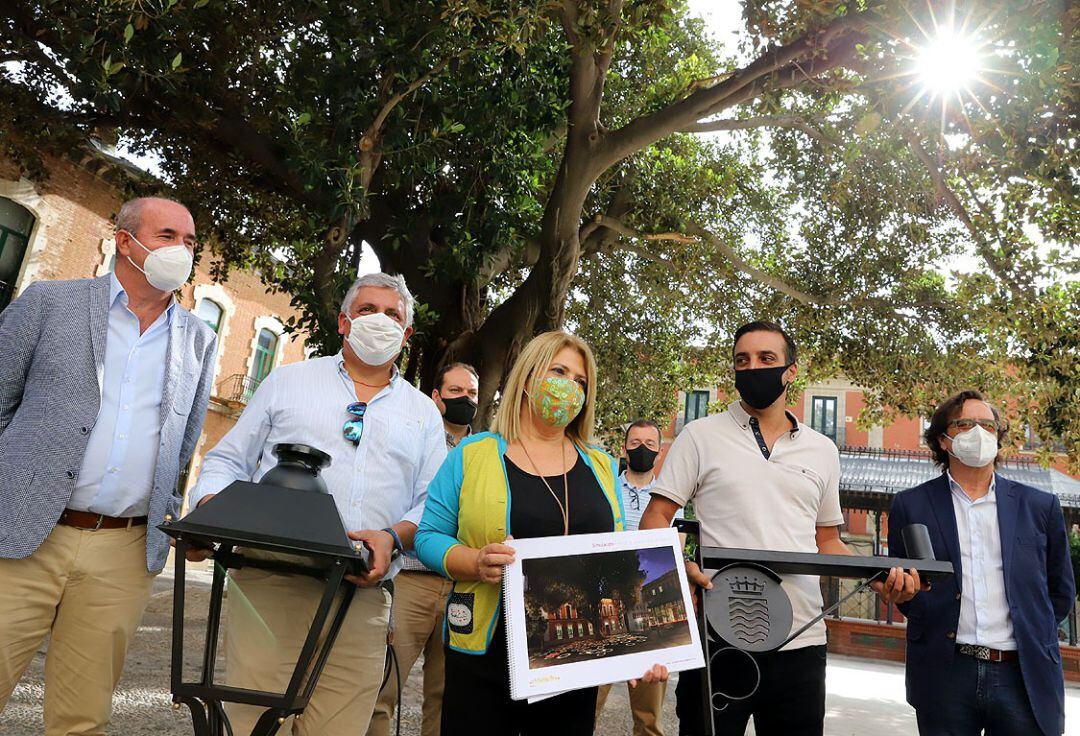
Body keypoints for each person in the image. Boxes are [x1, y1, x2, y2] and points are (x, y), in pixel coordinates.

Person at [187, 272, 447, 736]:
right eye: (368, 310)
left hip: (361, 598)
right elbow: (226, 460)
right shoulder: (288, 381)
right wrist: (211, 510)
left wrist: (391, 539)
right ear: (344, 323)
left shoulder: (423, 413)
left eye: (392, 315)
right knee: (255, 725)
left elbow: (432, 504)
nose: (379, 321)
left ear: (406, 335)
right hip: (271, 581)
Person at [0, 197, 217, 735]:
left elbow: (184, 444)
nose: (182, 251)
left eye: (190, 243)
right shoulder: (48, 303)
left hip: (123, 550)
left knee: (82, 718)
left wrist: (170, 522)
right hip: (23, 533)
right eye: (168, 235)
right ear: (125, 241)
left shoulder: (199, 339)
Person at [640, 320, 920, 736]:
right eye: (743, 360)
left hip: (802, 641)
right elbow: (656, 518)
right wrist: (678, 567)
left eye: (766, 359)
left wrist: (877, 577)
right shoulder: (699, 436)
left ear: (791, 370)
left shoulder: (822, 450)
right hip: (719, 636)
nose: (753, 368)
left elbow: (826, 539)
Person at [415, 330, 668, 736]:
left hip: (572, 662)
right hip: (485, 651)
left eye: (581, 382)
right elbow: (428, 536)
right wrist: (474, 561)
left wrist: (638, 648)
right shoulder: (473, 454)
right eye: (559, 371)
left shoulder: (601, 466)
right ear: (529, 379)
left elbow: (620, 557)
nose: (569, 387)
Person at [888, 390, 1074, 736]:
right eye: (965, 424)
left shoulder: (1039, 506)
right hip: (945, 674)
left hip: (1022, 674)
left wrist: (1031, 630)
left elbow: (1060, 591)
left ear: (999, 438)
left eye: (988, 425)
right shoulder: (911, 505)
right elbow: (911, 591)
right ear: (944, 440)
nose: (978, 432)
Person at [367, 362, 480, 736]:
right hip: (412, 580)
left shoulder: (486, 453)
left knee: (449, 697)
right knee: (382, 687)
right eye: (455, 392)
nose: (465, 399)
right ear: (436, 397)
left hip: (462, 587)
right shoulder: (412, 438)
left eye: (472, 393)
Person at [595, 419, 681, 736]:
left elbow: (678, 552)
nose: (641, 449)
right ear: (624, 448)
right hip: (603, 601)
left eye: (648, 443)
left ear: (659, 450)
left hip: (648, 602)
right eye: (634, 443)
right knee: (585, 705)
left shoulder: (671, 501)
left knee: (648, 718)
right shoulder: (604, 491)